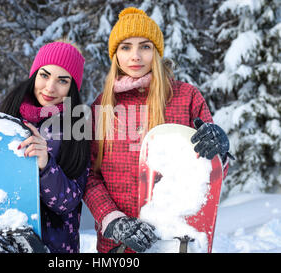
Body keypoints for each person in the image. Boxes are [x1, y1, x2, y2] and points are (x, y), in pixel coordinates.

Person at [83, 7, 233, 253]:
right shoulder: (103, 106)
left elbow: (212, 173)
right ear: (115, 55)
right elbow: (88, 174)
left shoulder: (186, 97)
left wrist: (219, 153)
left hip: (174, 241)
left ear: (156, 52)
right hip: (118, 245)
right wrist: (112, 219)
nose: (136, 56)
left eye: (145, 46)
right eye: (126, 47)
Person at [0, 41, 90, 253]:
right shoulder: (3, 116)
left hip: (53, 248)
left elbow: (67, 204)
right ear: (34, 74)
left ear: (72, 87)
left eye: (62, 80)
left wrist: (45, 165)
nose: (50, 87)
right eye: (45, 75)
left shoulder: (76, 130)